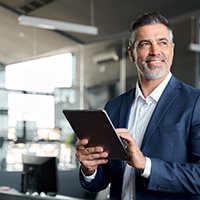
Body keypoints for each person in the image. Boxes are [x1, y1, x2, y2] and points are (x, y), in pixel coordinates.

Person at [75, 12, 200, 200]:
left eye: (162, 43)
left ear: (172, 50)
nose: (155, 51)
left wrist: (146, 165)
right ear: (132, 54)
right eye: (145, 44)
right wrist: (89, 168)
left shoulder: (195, 102)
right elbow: (102, 180)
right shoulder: (114, 107)